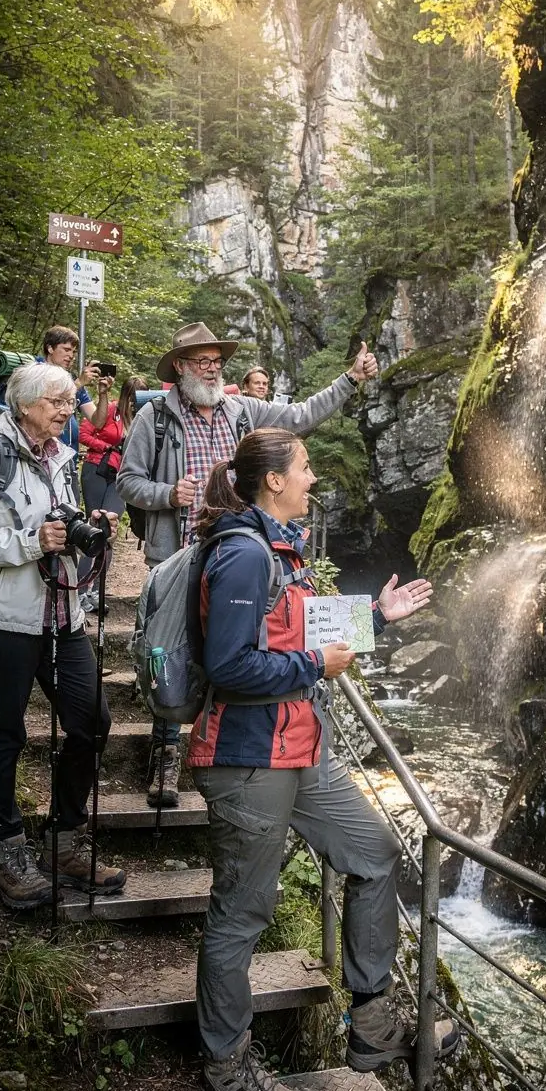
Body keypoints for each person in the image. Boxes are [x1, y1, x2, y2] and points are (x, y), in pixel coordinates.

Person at [186, 429, 460, 1091]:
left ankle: (372, 1023)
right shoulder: (245, 554)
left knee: (374, 852)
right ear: (274, 480)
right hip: (248, 757)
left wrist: (376, 619)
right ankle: (224, 1069)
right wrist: (316, 668)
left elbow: (300, 629)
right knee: (241, 914)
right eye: (305, 468)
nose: (314, 478)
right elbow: (229, 666)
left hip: (300, 748)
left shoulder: (281, 548)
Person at [117, 320, 378, 809]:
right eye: (202, 361)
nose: (212, 369)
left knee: (237, 650)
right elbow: (127, 481)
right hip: (179, 557)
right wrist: (167, 493)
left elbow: (300, 416)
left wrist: (350, 379)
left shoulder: (243, 411)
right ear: (180, 367)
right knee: (174, 651)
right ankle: (166, 755)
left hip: (240, 555)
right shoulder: (155, 418)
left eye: (217, 361)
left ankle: (227, 751)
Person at [0, 361, 127, 911]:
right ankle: (5, 851)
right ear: (24, 404)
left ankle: (62, 840)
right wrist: (32, 541)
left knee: (91, 721)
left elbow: (56, 521)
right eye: (57, 401)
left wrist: (85, 525)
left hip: (60, 613)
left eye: (70, 401)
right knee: (5, 731)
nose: (67, 410)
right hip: (2, 617)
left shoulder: (60, 456)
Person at [78, 374, 148, 612]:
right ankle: (80, 591)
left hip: (121, 476)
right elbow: (84, 434)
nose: (133, 404)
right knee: (94, 528)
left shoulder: (145, 418)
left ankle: (97, 590)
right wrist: (107, 447)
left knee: (108, 531)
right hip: (97, 469)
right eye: (131, 398)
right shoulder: (108, 410)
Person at [36, 325, 112, 453]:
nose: (71, 355)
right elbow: (43, 404)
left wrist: (103, 393)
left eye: (73, 351)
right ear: (50, 348)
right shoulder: (35, 371)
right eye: (66, 350)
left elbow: (98, 422)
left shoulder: (71, 379)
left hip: (68, 456)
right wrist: (78, 384)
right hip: (42, 452)